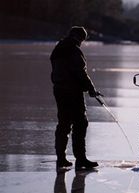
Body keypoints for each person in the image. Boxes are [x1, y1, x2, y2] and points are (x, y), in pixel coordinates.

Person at [50, 26, 101, 170]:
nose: (81, 43)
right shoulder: (74, 50)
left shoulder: (59, 48)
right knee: (80, 123)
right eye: (82, 40)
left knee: (63, 124)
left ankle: (61, 159)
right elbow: (80, 72)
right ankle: (81, 159)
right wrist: (91, 88)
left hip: (59, 90)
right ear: (80, 38)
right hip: (72, 92)